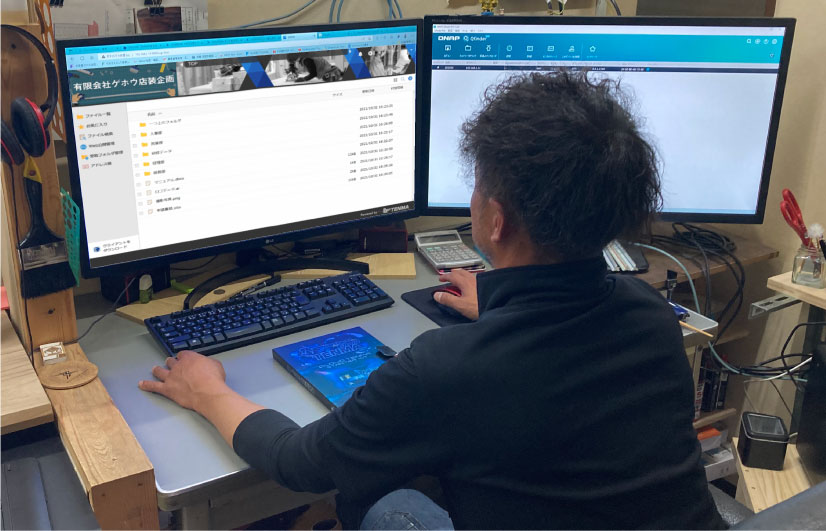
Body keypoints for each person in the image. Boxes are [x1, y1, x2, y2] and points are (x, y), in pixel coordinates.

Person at [139, 71, 725, 530]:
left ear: (496, 221)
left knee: (379, 496)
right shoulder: (652, 317)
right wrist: (499, 306)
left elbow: (299, 463)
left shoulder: (445, 370)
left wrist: (207, 391)